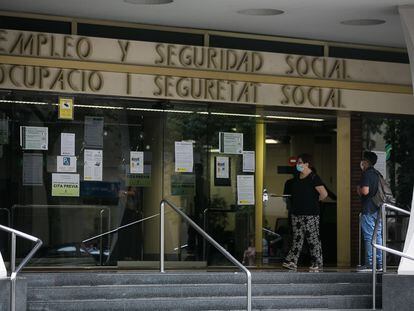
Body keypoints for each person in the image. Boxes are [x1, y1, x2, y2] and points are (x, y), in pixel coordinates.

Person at [282, 153, 328, 272]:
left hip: (310, 214)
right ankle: (292, 261)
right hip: (296, 213)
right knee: (297, 238)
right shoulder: (297, 178)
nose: (298, 165)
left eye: (300, 163)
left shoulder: (314, 177)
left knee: (312, 238)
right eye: (297, 163)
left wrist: (313, 201)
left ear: (307, 164)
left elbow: (324, 194)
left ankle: (317, 262)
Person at [357, 151, 382, 272]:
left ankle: (369, 264)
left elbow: (365, 191)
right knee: (378, 236)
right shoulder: (378, 174)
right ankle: (380, 264)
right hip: (378, 209)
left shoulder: (366, 174)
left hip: (368, 209)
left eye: (363, 160)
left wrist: (359, 188)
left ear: (366, 162)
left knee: (368, 237)